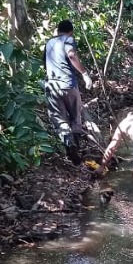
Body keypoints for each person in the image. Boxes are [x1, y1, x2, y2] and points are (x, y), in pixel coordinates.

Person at [44, 19, 93, 165]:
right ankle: (75, 147)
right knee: (75, 116)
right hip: (69, 85)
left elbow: (45, 64)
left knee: (60, 120)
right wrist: (84, 74)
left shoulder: (49, 43)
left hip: (52, 86)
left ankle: (69, 146)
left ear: (57, 30)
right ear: (70, 31)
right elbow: (71, 55)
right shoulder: (68, 39)